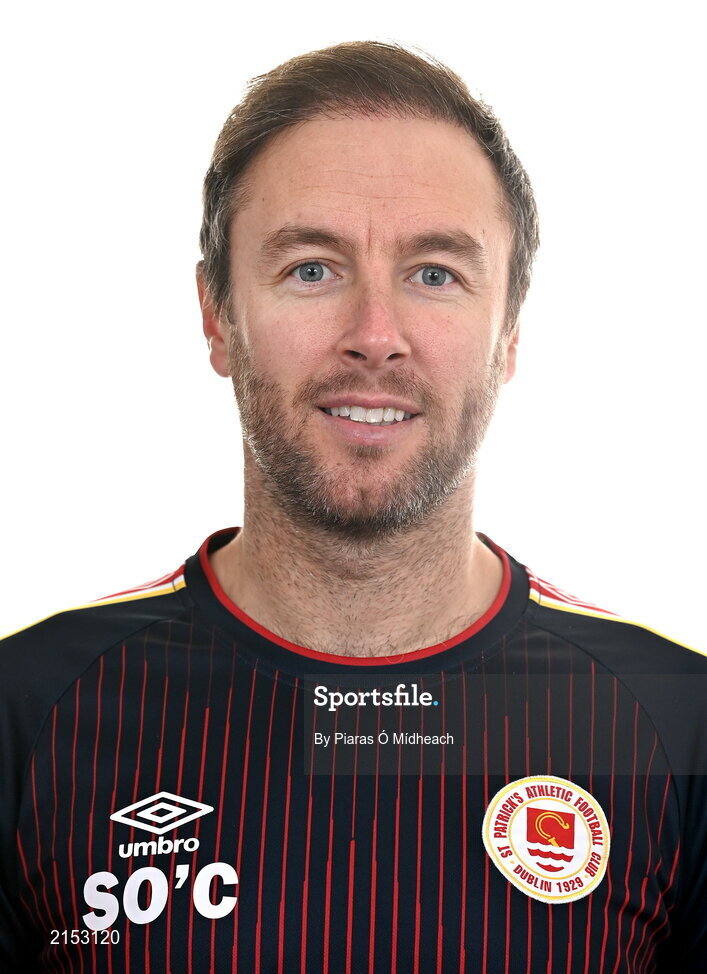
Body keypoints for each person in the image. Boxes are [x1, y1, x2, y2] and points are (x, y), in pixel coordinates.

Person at [1, 39, 705, 974]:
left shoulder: (674, 723)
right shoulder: (29, 713)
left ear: (508, 334)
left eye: (434, 274)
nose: (375, 337)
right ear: (216, 314)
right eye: (311, 269)